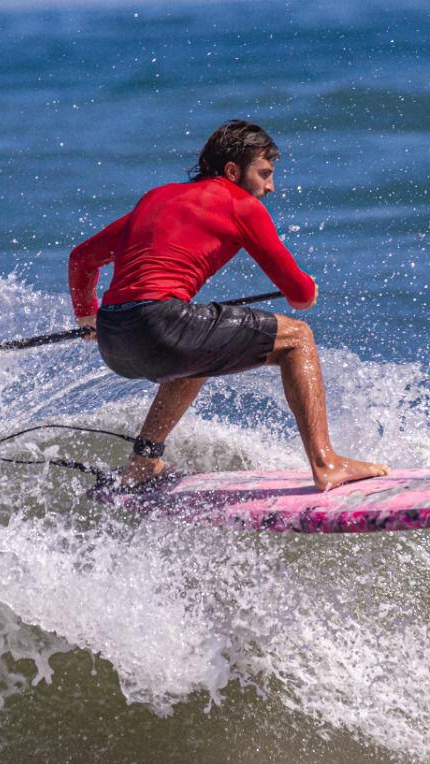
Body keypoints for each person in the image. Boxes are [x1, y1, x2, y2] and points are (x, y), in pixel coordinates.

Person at [68, 120, 388, 491]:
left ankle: (143, 462)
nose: (270, 186)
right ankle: (326, 462)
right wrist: (308, 290)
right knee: (297, 338)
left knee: (197, 352)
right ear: (233, 171)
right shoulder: (241, 206)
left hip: (115, 339)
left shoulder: (155, 198)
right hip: (159, 325)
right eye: (264, 174)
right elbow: (299, 296)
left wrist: (86, 315)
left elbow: (82, 258)